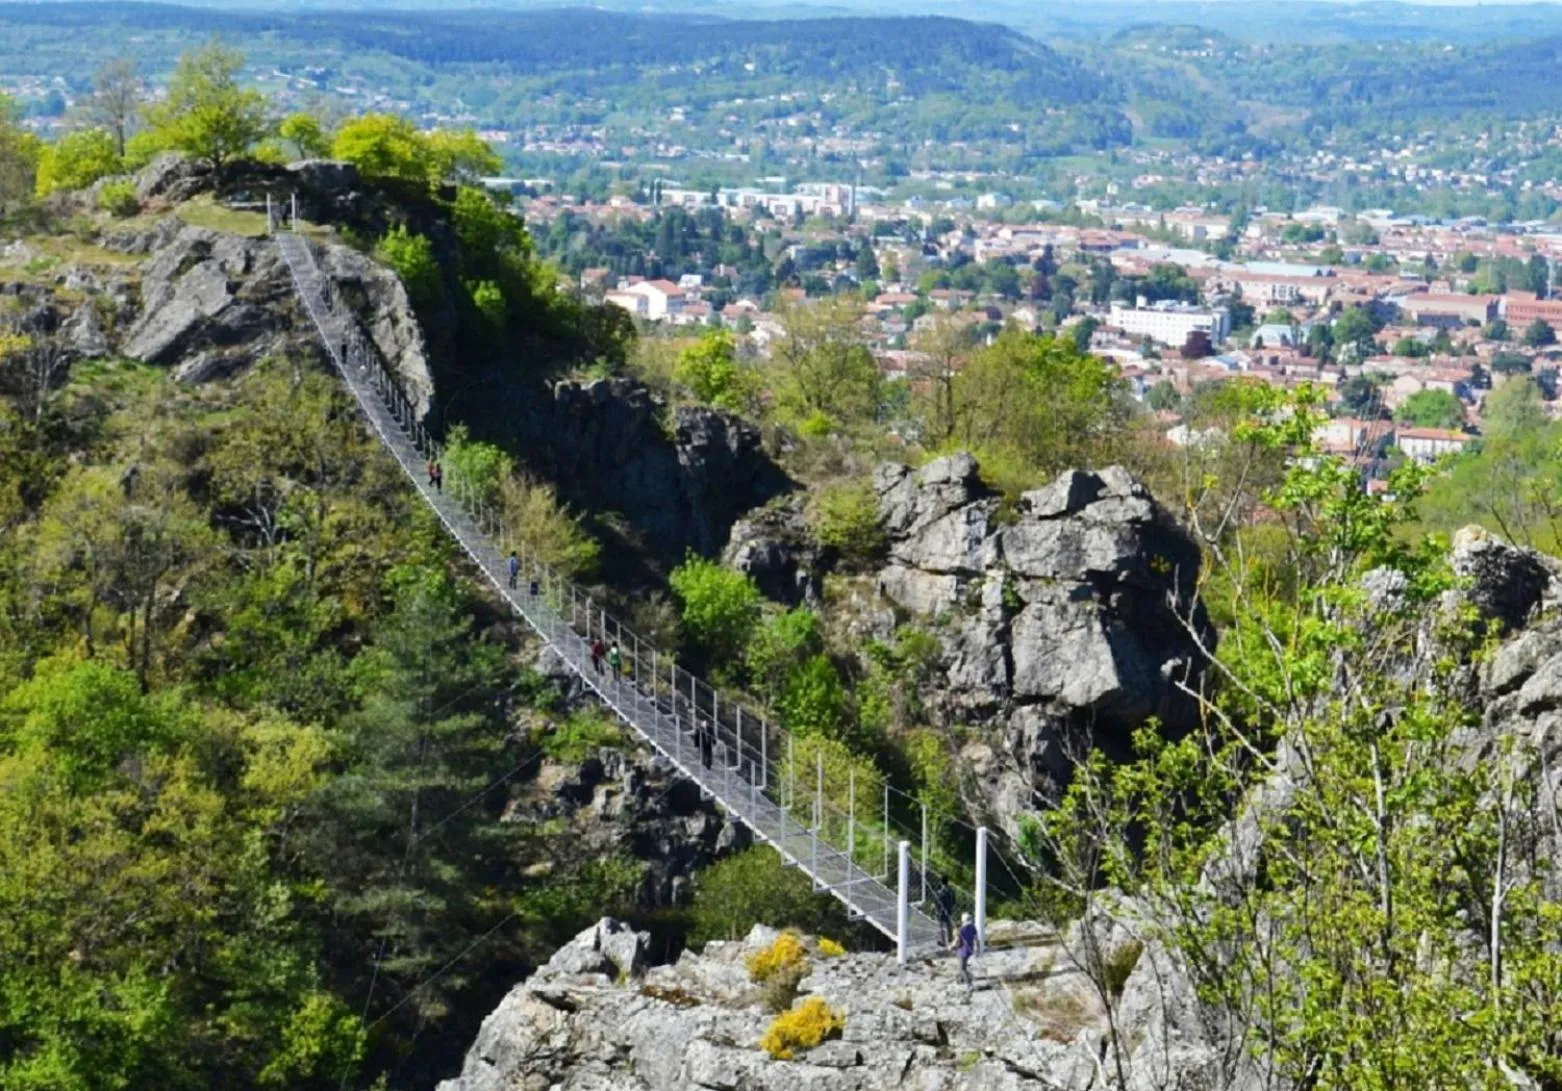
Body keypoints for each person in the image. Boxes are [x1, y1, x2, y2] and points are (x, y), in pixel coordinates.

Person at [953, 911, 978, 992]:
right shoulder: (973, 927)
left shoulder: (961, 930)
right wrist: (977, 948)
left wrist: (950, 947)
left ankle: (969, 984)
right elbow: (976, 939)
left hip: (962, 951)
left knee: (962, 969)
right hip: (969, 951)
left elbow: (957, 941)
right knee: (963, 965)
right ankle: (960, 979)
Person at [934, 875, 957, 947]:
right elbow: (954, 901)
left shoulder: (940, 892)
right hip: (949, 910)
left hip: (941, 911)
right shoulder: (951, 891)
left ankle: (943, 941)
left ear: (941, 882)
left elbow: (937, 902)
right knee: (949, 924)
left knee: (942, 926)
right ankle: (950, 938)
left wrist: (937, 909)